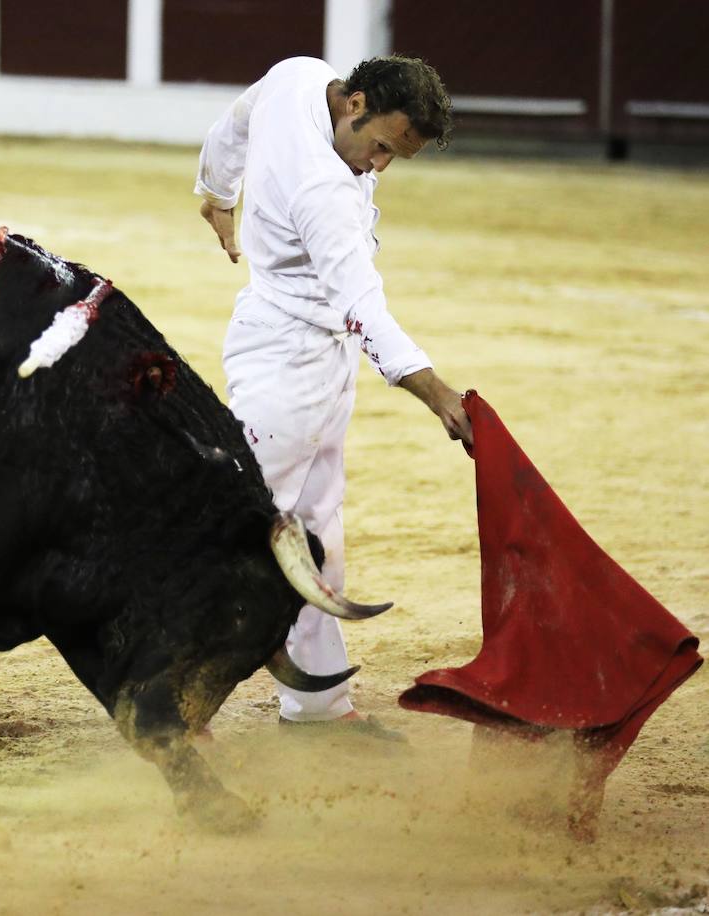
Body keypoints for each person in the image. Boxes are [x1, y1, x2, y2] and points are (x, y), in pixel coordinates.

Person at [194, 55, 473, 737]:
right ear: (353, 103)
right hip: (290, 363)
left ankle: (317, 705)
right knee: (245, 534)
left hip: (304, 350)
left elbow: (233, 123)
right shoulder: (323, 191)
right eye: (380, 145)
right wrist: (434, 390)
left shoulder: (297, 75)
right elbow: (360, 305)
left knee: (317, 536)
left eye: (394, 156)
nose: (378, 167)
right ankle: (173, 691)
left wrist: (216, 191)